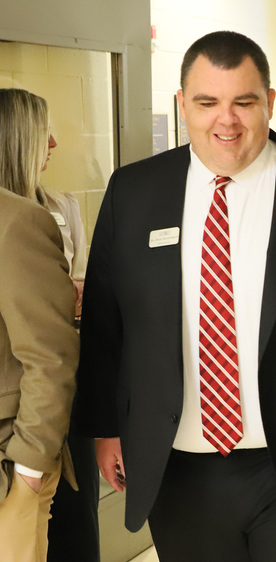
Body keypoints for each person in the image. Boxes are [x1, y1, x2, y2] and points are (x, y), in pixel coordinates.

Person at [74, 31, 276, 561]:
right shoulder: (135, 192)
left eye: (244, 102)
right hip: (181, 470)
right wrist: (106, 428)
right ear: (182, 105)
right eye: (207, 103)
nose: (225, 121)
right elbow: (106, 325)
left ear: (270, 103)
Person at [0, 88, 79, 562]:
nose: (52, 143)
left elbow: (51, 356)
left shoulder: (17, 222)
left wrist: (29, 469)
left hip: (10, 469)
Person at [36, 133, 100, 562]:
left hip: (69, 379)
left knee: (77, 516)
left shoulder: (64, 206)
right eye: (44, 132)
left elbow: (79, 279)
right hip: (24, 395)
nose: (55, 142)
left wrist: (80, 293)